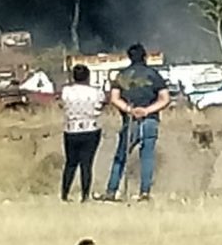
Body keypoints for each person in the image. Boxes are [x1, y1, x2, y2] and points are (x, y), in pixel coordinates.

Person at [98, 43, 170, 201]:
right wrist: (147, 110)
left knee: (121, 156)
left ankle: (111, 190)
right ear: (145, 56)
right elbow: (165, 99)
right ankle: (144, 192)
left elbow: (114, 98)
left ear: (129, 57)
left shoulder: (122, 76)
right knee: (147, 157)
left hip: (129, 121)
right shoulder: (154, 75)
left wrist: (130, 110)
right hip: (150, 120)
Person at [58, 64, 104, 202]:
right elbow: (100, 106)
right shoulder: (95, 92)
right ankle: (85, 195)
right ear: (88, 77)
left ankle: (65, 194)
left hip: (71, 129)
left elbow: (62, 104)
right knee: (86, 164)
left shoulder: (66, 91)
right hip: (90, 129)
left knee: (70, 163)